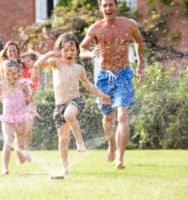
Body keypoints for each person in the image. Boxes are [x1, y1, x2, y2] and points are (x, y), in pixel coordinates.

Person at [34, 33, 111, 175]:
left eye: (72, 49)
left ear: (77, 51)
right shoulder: (55, 63)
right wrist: (50, 54)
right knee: (63, 139)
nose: (69, 53)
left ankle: (80, 142)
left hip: (75, 101)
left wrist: (101, 95)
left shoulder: (78, 69)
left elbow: (87, 85)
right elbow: (37, 65)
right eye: (65, 50)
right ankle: (65, 167)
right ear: (60, 51)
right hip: (59, 106)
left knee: (69, 115)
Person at [80, 0, 144, 169]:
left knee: (122, 116)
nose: (108, 8)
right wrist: (90, 53)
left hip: (123, 74)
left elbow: (138, 42)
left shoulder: (129, 25)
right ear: (100, 8)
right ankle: (111, 143)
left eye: (111, 4)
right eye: (105, 5)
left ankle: (120, 159)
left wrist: (140, 64)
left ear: (116, 6)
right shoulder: (95, 28)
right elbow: (82, 50)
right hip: (104, 77)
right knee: (108, 116)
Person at [0, 59, 32, 175]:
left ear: (18, 73)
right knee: (8, 140)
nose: (10, 76)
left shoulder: (22, 85)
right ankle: (5, 167)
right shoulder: (1, 86)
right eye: (7, 74)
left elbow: (29, 98)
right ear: (3, 74)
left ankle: (21, 157)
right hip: (7, 119)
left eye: (13, 73)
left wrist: (28, 100)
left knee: (20, 142)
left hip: (20, 118)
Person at [20, 50, 41, 161]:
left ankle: (27, 149)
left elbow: (32, 84)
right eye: (26, 60)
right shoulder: (21, 71)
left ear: (34, 62)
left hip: (30, 102)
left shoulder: (34, 70)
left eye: (29, 60)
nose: (27, 62)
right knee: (20, 129)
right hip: (19, 103)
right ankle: (21, 150)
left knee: (28, 128)